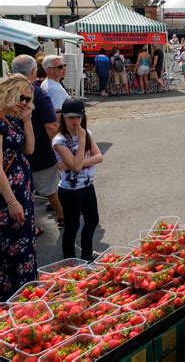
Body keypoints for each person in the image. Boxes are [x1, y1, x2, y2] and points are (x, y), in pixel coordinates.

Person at [12, 55, 64, 229]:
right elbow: (50, 126)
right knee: (51, 189)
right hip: (40, 152)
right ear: (34, 71)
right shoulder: (38, 93)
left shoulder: (7, 91)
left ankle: (28, 225)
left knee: (22, 192)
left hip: (14, 154)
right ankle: (62, 217)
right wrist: (61, 150)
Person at [52, 98, 103, 261]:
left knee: (92, 220)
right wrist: (81, 144)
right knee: (72, 226)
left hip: (88, 186)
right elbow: (76, 167)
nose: (74, 121)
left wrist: (74, 164)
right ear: (63, 118)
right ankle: (70, 259)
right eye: (70, 117)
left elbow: (99, 157)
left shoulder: (87, 133)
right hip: (70, 190)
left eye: (78, 117)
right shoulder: (59, 140)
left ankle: (87, 253)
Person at [0, 74, 36, 300]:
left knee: (24, 247)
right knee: (10, 253)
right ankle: (12, 302)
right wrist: (12, 202)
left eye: (28, 98)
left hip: (21, 192)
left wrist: (27, 120)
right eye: (21, 97)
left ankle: (25, 297)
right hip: (7, 197)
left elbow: (29, 149)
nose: (24, 102)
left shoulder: (12, 119)